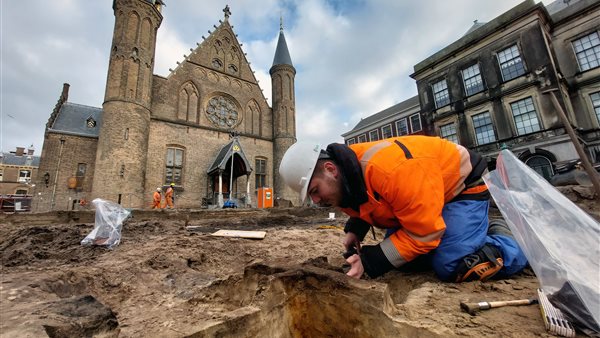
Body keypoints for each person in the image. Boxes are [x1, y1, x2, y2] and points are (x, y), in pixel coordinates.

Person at [279, 136, 528, 282]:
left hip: (461, 189)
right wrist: (356, 229)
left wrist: (370, 260)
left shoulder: (392, 170)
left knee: (452, 265)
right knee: (404, 261)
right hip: (422, 196)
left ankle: (508, 240)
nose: (316, 201)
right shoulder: (346, 174)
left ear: (331, 170)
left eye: (315, 191)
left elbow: (425, 234)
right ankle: (467, 235)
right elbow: (362, 193)